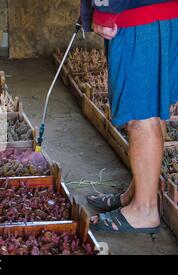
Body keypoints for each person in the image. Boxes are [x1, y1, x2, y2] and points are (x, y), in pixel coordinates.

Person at [80, 0, 178, 233]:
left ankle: (144, 210)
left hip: (140, 17)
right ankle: (139, 195)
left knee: (139, 117)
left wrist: (104, 9)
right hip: (159, 13)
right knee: (152, 108)